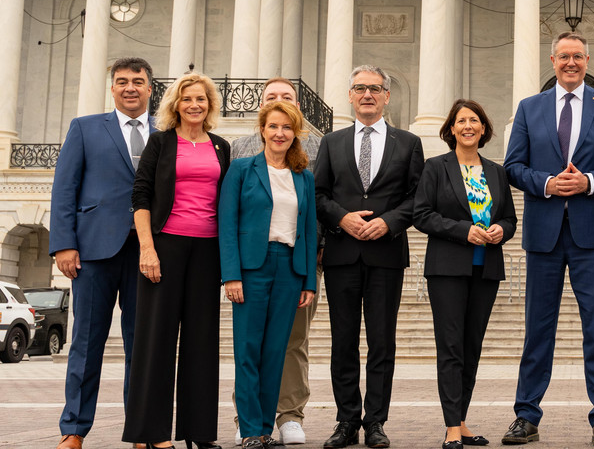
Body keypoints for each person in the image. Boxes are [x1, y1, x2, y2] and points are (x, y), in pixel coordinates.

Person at [502, 31, 594, 447]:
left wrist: (589, 182)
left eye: (578, 56)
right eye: (564, 57)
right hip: (542, 234)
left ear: (587, 60)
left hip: (590, 235)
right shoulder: (530, 107)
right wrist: (546, 184)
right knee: (537, 329)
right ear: (553, 60)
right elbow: (513, 166)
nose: (571, 63)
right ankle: (526, 414)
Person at [316, 65, 425, 449]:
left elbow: (417, 198)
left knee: (381, 342)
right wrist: (341, 218)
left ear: (386, 96)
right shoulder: (331, 142)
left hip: (385, 254)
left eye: (375, 89)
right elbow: (318, 195)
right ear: (349, 95)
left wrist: (390, 223)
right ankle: (346, 420)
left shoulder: (409, 143)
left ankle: (376, 421)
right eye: (360, 88)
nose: (367, 95)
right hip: (342, 255)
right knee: (342, 342)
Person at [49, 57, 154, 449]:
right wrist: (63, 243)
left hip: (147, 252)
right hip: (93, 251)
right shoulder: (85, 128)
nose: (130, 87)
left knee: (141, 344)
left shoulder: (165, 134)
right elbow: (64, 188)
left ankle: (142, 429)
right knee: (87, 341)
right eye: (122, 81)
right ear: (112, 88)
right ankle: (74, 429)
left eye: (138, 81)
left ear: (150, 88)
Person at [123, 73, 231, 449]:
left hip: (208, 252)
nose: (194, 105)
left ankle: (199, 433)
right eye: (187, 99)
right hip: (165, 247)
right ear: (175, 104)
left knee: (202, 343)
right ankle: (151, 434)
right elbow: (140, 196)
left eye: (201, 99)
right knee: (156, 342)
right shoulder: (161, 143)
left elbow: (226, 203)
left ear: (210, 104)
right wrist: (147, 249)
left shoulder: (221, 147)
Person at [412, 99, 518, 449]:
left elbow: (510, 219)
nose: (469, 126)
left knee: (471, 348)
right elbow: (422, 214)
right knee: (451, 347)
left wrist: (501, 229)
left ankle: (460, 420)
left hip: (485, 268)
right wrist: (463, 230)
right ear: (452, 129)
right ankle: (451, 427)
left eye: (475, 120)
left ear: (485, 129)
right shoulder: (436, 167)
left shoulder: (496, 171)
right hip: (447, 268)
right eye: (462, 121)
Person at [229, 77, 323, 447]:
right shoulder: (241, 166)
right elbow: (228, 223)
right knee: (248, 348)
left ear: (296, 130)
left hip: (291, 267)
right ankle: (250, 426)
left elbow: (310, 231)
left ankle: (267, 427)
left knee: (277, 350)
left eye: (286, 127)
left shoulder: (303, 176)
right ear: (262, 128)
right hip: (252, 267)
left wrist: (309, 281)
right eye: (273, 126)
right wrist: (231, 275)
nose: (279, 133)